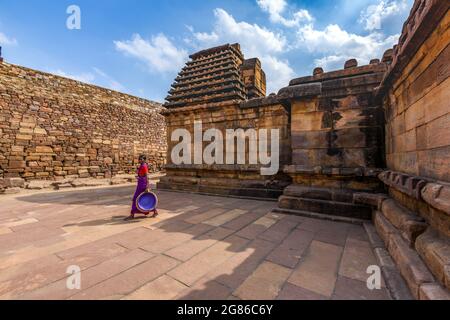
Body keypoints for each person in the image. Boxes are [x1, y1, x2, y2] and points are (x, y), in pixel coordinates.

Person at [125, 154, 158, 220]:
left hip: (143, 184)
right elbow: (142, 175)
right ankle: (155, 211)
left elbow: (146, 177)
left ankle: (132, 214)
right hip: (140, 183)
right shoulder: (141, 166)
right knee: (143, 198)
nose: (139, 160)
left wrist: (147, 186)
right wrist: (139, 177)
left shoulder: (144, 166)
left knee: (136, 198)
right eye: (139, 159)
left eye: (141, 159)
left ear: (144, 159)